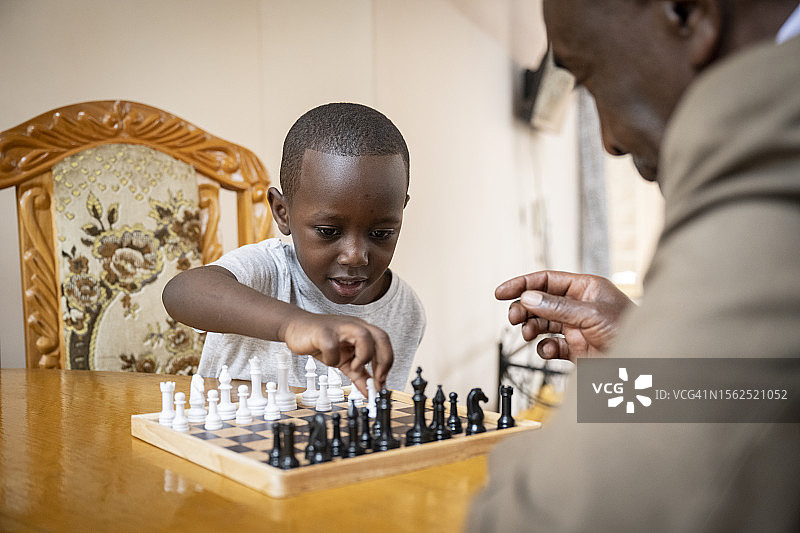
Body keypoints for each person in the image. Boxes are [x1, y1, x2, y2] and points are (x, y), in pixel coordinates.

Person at [469, 1, 800, 531]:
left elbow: (553, 514)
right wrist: (644, 352)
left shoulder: (772, 172)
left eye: (591, 80)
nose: (609, 139)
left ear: (687, 14)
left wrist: (621, 390)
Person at [162, 103, 425, 394]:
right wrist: (294, 324)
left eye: (381, 233)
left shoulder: (407, 310)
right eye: (328, 231)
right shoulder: (267, 271)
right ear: (282, 212)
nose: (355, 255)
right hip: (228, 437)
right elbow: (181, 292)